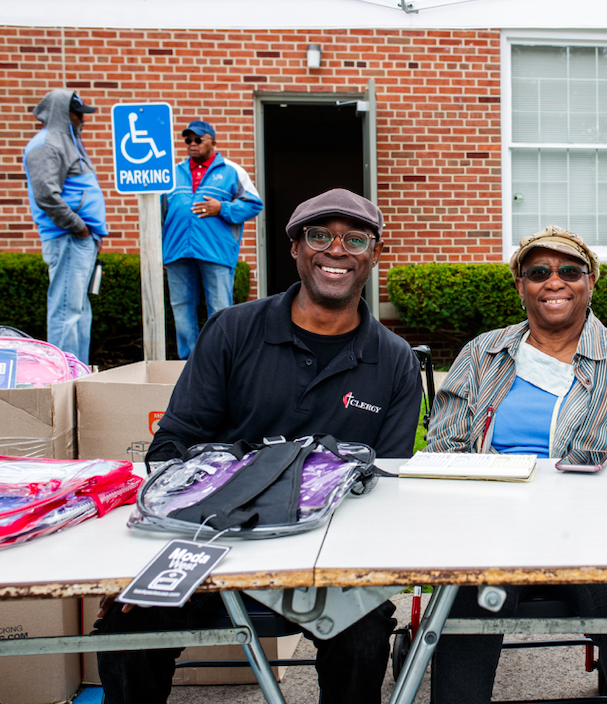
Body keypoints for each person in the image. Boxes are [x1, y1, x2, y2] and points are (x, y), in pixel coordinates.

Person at [94, 188, 422, 704]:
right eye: (320, 236)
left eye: (355, 239)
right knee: (125, 629)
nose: (337, 250)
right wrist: (155, 559)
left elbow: (385, 481)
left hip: (327, 552)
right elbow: (173, 446)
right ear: (295, 247)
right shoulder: (233, 329)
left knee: (361, 638)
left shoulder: (395, 360)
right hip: (210, 540)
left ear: (374, 254)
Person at [424, 225, 607, 704]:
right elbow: (445, 447)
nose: (555, 281)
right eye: (538, 271)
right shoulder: (483, 354)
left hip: (593, 534)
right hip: (495, 532)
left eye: (570, 270)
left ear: (590, 283)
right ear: (520, 285)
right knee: (462, 600)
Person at [163, 119, 263, 359]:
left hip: (216, 251)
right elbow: (161, 211)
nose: (192, 144)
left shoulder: (231, 170)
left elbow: (254, 203)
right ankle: (188, 363)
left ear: (213, 142)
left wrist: (223, 209)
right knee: (181, 308)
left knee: (219, 309)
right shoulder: (173, 172)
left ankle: (220, 361)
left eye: (198, 139)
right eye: (188, 140)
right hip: (177, 251)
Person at [23, 90, 108, 364]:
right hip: (68, 237)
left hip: (80, 240)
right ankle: (61, 378)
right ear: (63, 112)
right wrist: (80, 227)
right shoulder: (46, 144)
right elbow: (47, 195)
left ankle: (77, 373)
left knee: (79, 310)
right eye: (79, 113)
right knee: (65, 311)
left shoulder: (67, 142)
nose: (83, 119)